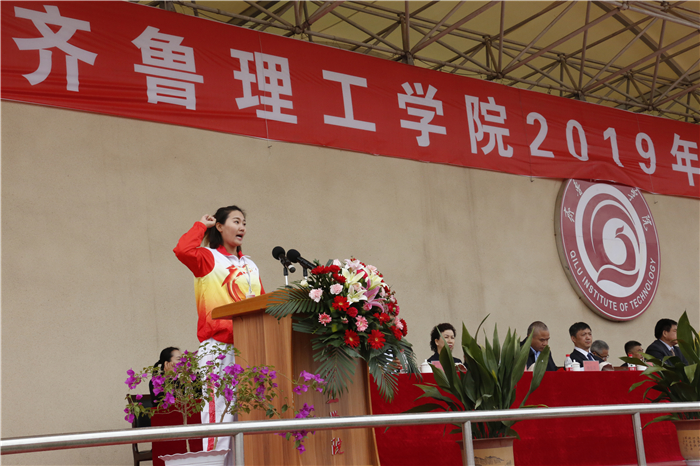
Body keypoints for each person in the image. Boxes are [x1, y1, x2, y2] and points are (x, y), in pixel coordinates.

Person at [174, 205, 264, 458]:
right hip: (218, 348)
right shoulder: (208, 258)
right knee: (220, 419)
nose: (242, 227)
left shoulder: (250, 265)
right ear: (220, 226)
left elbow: (263, 303)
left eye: (244, 223)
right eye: (236, 221)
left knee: (247, 419)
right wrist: (201, 226)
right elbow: (182, 250)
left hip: (248, 348)